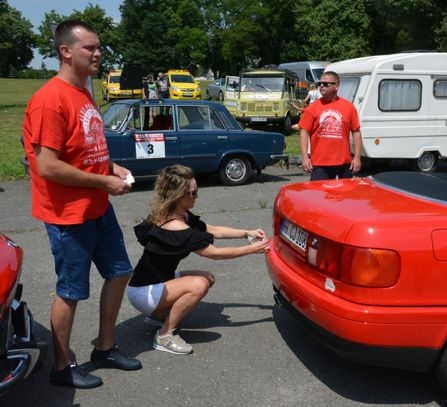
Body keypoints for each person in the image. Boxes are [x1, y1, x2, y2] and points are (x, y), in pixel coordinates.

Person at [22, 20, 142, 390]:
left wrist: (111, 167)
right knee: (71, 291)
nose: (98, 53)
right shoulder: (49, 99)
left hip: (97, 207)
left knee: (120, 271)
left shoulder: (84, 93)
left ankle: (105, 347)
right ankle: (61, 366)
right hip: (67, 215)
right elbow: (47, 165)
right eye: (90, 48)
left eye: (99, 47)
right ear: (65, 51)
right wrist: (103, 181)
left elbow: (86, 148)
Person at [127, 164, 270, 355]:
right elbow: (214, 253)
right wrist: (252, 249)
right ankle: (164, 335)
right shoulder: (176, 226)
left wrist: (246, 233)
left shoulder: (176, 213)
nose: (196, 197)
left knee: (208, 277)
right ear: (178, 195)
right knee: (199, 284)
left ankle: (159, 315)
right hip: (144, 292)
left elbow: (214, 230)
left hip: (155, 282)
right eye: (192, 193)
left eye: (196, 192)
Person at [299, 71, 362, 181]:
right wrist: (305, 157)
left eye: (326, 83)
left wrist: (357, 158)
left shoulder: (349, 107)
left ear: (336, 86)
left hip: (344, 164)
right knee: (319, 197)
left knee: (345, 197)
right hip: (320, 165)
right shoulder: (312, 108)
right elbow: (304, 132)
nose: (321, 86)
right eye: (320, 83)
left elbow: (356, 132)